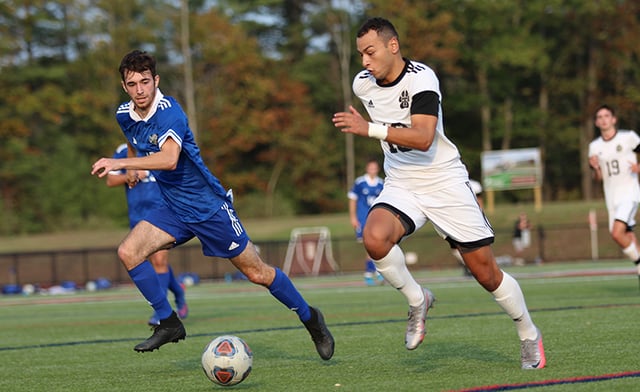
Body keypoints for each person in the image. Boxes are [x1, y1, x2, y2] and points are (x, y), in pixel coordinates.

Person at [91, 50, 334, 359]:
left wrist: (118, 164)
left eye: (145, 82)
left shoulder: (170, 112)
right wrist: (133, 165)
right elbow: (132, 139)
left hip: (209, 207)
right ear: (124, 86)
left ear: (156, 81)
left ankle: (311, 319)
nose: (140, 90)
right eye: (132, 83)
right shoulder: (124, 113)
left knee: (258, 274)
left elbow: (168, 159)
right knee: (128, 252)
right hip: (173, 208)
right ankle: (168, 322)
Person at [332, 17, 545, 369]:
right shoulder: (362, 84)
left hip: (444, 181)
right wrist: (374, 129)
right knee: (374, 238)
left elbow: (423, 137)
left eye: (370, 52)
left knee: (486, 273)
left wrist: (368, 129)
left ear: (393, 46)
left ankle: (528, 333)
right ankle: (418, 300)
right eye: (360, 55)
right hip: (402, 182)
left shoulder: (422, 79)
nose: (364, 62)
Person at [106, 143, 188, 325]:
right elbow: (110, 180)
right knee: (151, 261)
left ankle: (162, 313)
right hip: (137, 216)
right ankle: (179, 292)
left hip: (162, 212)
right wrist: (128, 175)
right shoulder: (124, 151)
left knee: (159, 261)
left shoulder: (165, 147)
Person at [588, 104, 640, 287]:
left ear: (614, 119)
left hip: (630, 193)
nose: (603, 119)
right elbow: (598, 178)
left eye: (606, 115)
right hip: (611, 198)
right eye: (599, 117)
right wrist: (595, 168)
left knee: (616, 233)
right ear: (596, 122)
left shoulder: (628, 137)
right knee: (627, 236)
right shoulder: (594, 147)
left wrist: (638, 168)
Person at [348, 158, 385, 286]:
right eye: (371, 168)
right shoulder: (360, 183)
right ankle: (373, 273)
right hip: (363, 220)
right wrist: (353, 217)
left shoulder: (382, 184)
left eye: (375, 168)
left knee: (376, 246)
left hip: (377, 220)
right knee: (369, 247)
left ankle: (371, 273)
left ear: (377, 169)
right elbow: (352, 199)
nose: (372, 170)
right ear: (367, 169)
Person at [451, 179, 483, 276]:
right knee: (455, 247)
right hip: (455, 218)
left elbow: (480, 200)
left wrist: (480, 214)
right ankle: (469, 265)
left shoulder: (474, 185)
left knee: (476, 245)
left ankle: (473, 267)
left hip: (470, 217)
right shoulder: (450, 182)